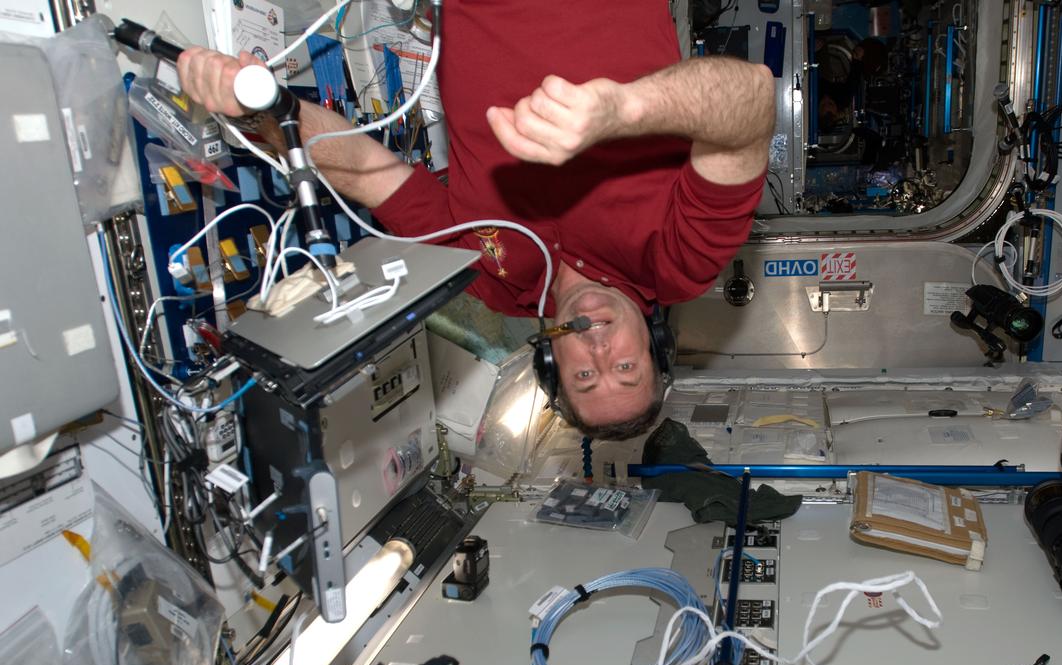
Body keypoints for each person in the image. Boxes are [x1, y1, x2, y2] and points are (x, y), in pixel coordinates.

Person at [177, 2, 775, 440]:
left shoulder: (490, 282)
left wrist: (264, 114)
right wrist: (622, 108)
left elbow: (367, 174)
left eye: (586, 376)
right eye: (625, 366)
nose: (598, 348)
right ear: (654, 339)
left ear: (550, 361)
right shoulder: (682, 260)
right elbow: (751, 99)